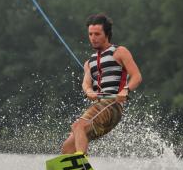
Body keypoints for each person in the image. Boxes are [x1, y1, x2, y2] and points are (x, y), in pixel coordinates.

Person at [61, 13, 142, 155]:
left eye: (97, 34)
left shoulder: (119, 52)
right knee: (68, 145)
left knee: (78, 125)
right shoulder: (89, 62)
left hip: (113, 105)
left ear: (107, 34)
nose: (93, 37)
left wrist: (126, 90)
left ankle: (81, 165)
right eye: (90, 34)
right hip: (99, 108)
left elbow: (137, 76)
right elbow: (86, 83)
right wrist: (88, 91)